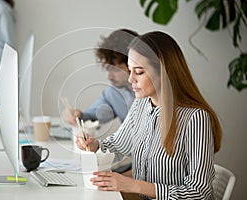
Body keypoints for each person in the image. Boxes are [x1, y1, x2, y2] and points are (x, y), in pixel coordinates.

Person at [76, 31, 222, 199]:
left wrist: (133, 185)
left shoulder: (195, 118)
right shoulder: (141, 105)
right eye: (130, 70)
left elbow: (199, 193)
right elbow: (117, 145)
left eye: (139, 72)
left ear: (164, 72)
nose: (131, 79)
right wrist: (95, 145)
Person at [62, 29, 138, 126]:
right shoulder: (113, 92)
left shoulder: (157, 92)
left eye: (115, 69)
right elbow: (93, 115)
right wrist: (78, 116)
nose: (109, 77)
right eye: (107, 69)